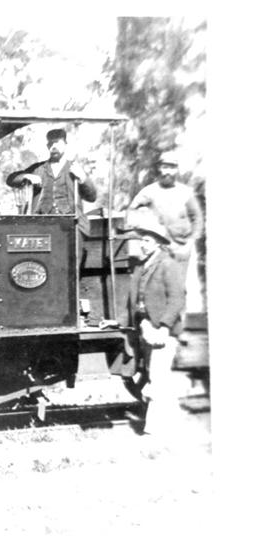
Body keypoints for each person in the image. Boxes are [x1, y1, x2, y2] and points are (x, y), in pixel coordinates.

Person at [127, 217, 186, 437]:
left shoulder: (168, 264)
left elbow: (177, 299)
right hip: (145, 328)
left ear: (159, 243)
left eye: (147, 241)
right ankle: (171, 424)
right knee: (154, 375)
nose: (143, 244)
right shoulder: (141, 267)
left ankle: (156, 429)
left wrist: (164, 327)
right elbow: (133, 300)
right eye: (142, 240)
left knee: (158, 377)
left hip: (161, 331)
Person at [127, 150, 204, 282]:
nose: (168, 172)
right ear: (158, 168)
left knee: (182, 287)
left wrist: (189, 244)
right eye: (165, 167)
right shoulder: (149, 191)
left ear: (177, 170)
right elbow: (131, 212)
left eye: (172, 167)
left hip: (183, 249)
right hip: (158, 251)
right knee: (156, 286)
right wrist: (144, 234)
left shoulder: (185, 192)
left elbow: (197, 219)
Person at [6, 128, 97, 236]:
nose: (54, 146)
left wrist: (83, 177)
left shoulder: (75, 168)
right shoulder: (38, 169)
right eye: (51, 143)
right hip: (42, 227)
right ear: (47, 146)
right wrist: (27, 176)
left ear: (65, 144)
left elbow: (92, 197)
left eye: (57, 143)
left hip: (72, 227)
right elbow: (11, 179)